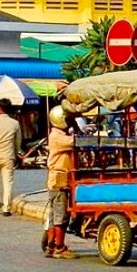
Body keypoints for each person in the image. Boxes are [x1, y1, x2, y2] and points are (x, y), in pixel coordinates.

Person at [44, 105, 79, 259]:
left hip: (55, 179)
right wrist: (77, 127)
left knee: (53, 216)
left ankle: (51, 246)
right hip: (59, 179)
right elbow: (75, 141)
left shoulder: (57, 134)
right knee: (61, 215)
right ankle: (59, 247)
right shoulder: (57, 136)